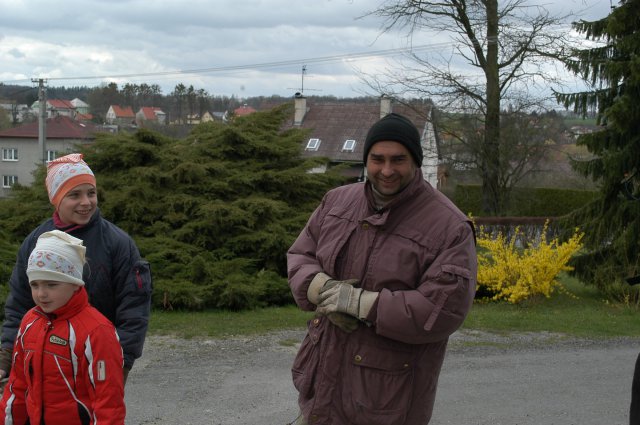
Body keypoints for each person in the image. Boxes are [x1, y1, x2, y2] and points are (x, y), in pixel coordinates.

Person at [287, 112, 477, 425]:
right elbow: (300, 254)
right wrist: (322, 288)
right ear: (367, 160)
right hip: (322, 391)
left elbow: (444, 309)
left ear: (415, 161)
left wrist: (362, 304)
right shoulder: (336, 202)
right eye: (378, 159)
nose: (387, 170)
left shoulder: (450, 227)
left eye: (398, 160)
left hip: (388, 400)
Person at [0, 153, 152, 385]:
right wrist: (7, 355)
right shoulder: (36, 242)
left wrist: (122, 358)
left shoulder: (118, 244)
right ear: (56, 198)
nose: (86, 202)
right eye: (74, 195)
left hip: (101, 358)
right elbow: (19, 304)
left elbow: (134, 307)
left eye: (91, 193)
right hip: (46, 359)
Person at [0, 230, 126, 424]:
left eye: (51, 284)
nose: (41, 294)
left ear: (75, 284)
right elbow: (17, 386)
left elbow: (108, 402)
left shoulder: (97, 331)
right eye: (35, 285)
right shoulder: (29, 322)